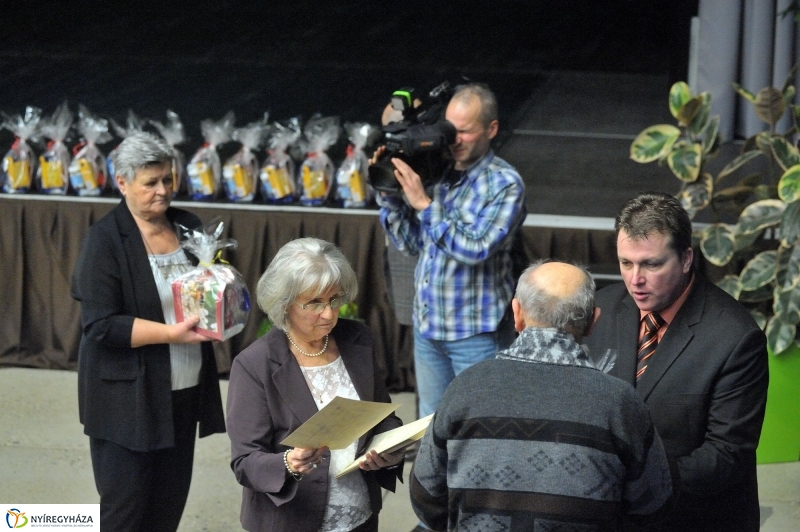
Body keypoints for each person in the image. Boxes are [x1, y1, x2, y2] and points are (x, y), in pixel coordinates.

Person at [410, 260, 676, 531]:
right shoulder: (621, 403)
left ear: (517, 313)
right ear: (593, 321)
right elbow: (654, 506)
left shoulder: (464, 387)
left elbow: (426, 497)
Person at [585, 192, 769, 531]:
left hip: (692, 517)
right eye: (626, 263)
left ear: (686, 259)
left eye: (651, 264)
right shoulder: (602, 308)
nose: (635, 279)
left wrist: (636, 486)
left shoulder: (735, 337)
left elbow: (727, 454)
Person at [70, 131, 226, 532]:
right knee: (125, 515)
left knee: (166, 512)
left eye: (168, 180)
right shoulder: (104, 240)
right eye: (150, 183)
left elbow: (210, 292)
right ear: (122, 183)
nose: (163, 191)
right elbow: (102, 326)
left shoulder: (189, 227)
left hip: (183, 392)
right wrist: (171, 334)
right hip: (126, 401)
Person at [226, 237, 405, 532]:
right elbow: (245, 462)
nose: (330, 313)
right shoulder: (254, 364)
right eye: (315, 303)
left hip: (360, 516)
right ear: (284, 304)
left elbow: (382, 416)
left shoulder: (357, 339)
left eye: (335, 299)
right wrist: (288, 462)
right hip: (291, 520)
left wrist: (391, 449)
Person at [377, 82, 526, 420]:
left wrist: (425, 205)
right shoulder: (438, 173)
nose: (454, 139)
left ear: (492, 129)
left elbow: (476, 249)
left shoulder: (505, 184)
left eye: (465, 131)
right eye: (449, 129)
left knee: (479, 425)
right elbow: (411, 243)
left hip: (476, 334)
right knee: (431, 425)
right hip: (429, 328)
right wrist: (391, 194)